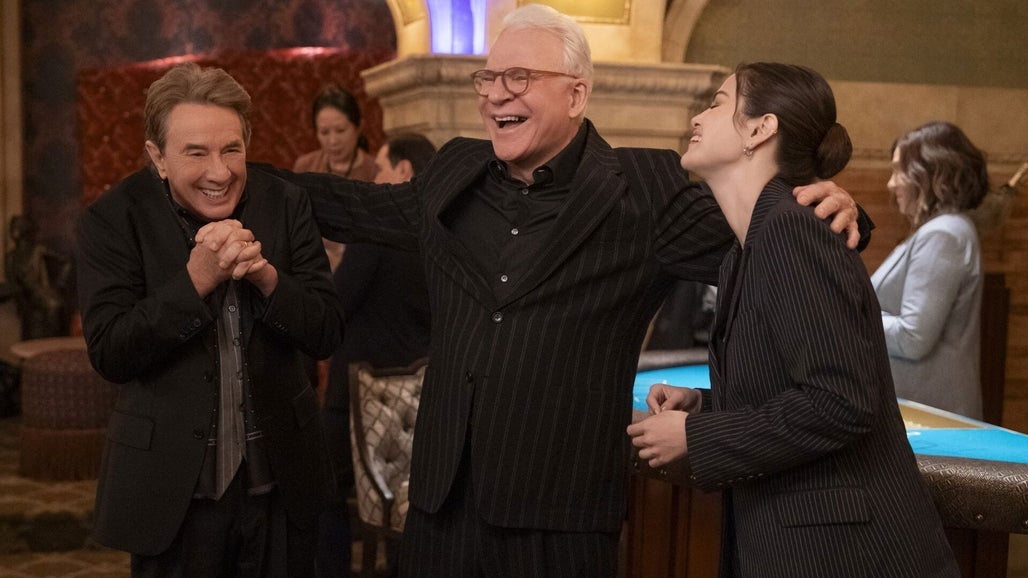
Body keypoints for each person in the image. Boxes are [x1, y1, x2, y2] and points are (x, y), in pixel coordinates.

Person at [270, 5, 866, 576]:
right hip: (440, 510)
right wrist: (240, 180)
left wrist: (840, 209)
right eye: (488, 79)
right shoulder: (454, 170)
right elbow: (356, 206)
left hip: (562, 520)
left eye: (519, 77)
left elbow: (771, 239)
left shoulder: (645, 189)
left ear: (576, 94)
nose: (496, 94)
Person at [627, 62, 959, 577]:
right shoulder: (745, 247)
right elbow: (792, 387)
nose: (697, 117)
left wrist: (699, 437)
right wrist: (705, 406)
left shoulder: (790, 230)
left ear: (760, 129)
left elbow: (841, 402)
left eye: (717, 103)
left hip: (848, 554)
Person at [76, 63, 344, 577]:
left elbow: (327, 330)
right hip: (171, 493)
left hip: (283, 484)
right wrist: (195, 281)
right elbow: (111, 351)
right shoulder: (112, 220)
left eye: (231, 150)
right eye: (196, 153)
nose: (219, 173)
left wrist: (269, 279)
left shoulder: (286, 203)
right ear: (158, 157)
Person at [317, 133, 435, 577]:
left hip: (361, 392)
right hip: (422, 393)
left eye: (381, 168)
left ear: (403, 171)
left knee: (318, 484)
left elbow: (337, 304)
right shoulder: (443, 228)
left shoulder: (378, 231)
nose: (375, 178)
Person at [870, 121, 990, 418]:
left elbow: (913, 338)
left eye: (899, 170)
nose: (891, 184)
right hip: (922, 410)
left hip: (931, 414)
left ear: (933, 173)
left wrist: (850, 316)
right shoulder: (944, 229)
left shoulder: (943, 234)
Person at [294, 83, 377, 272]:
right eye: (324, 132)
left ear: (358, 127)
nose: (332, 141)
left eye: (340, 130)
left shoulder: (374, 171)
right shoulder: (305, 167)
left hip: (358, 268)